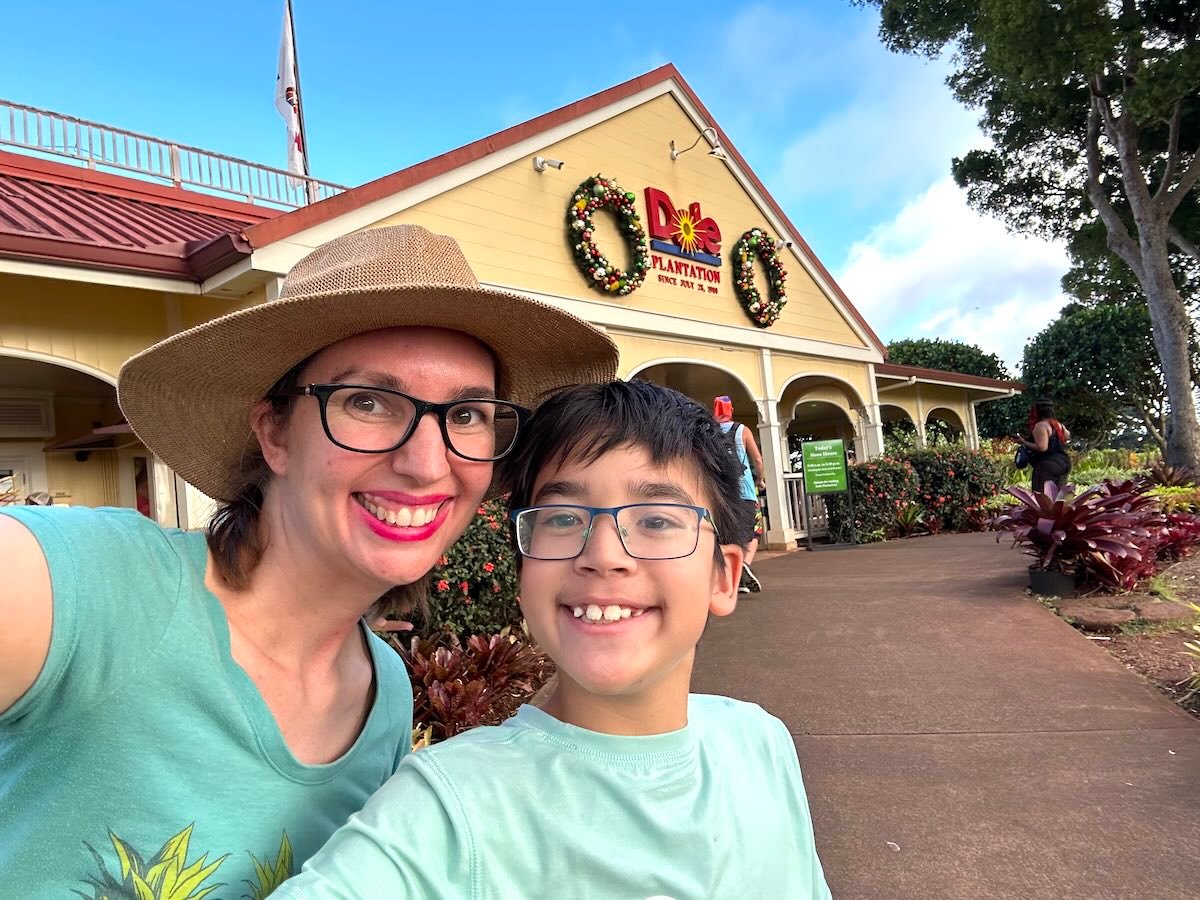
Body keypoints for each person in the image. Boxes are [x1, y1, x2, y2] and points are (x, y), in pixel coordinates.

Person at [0, 224, 618, 897]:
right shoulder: (95, 586)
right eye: (367, 402)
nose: (426, 463)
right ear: (275, 434)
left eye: (466, 414)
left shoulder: (383, 697)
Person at [273, 380, 832, 899]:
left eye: (657, 521)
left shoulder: (761, 744)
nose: (604, 556)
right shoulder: (450, 808)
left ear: (724, 576)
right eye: (562, 519)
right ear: (523, 576)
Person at [713, 394, 765, 592]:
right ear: (731, 410)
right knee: (755, 531)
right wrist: (760, 479)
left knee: (729, 535)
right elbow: (757, 460)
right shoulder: (742, 430)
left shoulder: (710, 432)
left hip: (722, 493)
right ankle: (744, 565)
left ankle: (738, 583)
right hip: (744, 492)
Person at [1015, 398, 1072, 492]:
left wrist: (1023, 442)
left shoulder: (1041, 426)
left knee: (1042, 495)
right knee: (1059, 495)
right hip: (1063, 462)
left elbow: (1042, 447)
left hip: (1047, 464)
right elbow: (1067, 436)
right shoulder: (1059, 425)